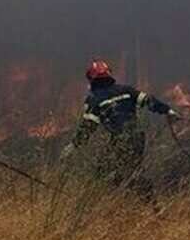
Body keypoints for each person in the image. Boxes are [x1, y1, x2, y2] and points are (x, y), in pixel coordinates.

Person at [64, 59, 173, 188]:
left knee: (104, 172)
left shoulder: (94, 100)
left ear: (92, 80)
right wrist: (168, 111)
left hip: (120, 139)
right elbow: (149, 101)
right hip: (137, 136)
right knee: (126, 171)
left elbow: (88, 127)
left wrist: (74, 145)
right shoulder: (126, 90)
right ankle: (131, 192)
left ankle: (139, 192)